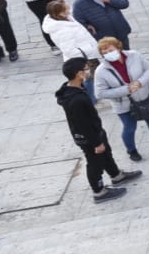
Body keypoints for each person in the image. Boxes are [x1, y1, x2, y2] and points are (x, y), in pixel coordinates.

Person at [56, 56, 140, 203]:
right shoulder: (77, 100)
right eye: (86, 68)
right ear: (79, 74)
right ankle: (99, 191)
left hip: (95, 132)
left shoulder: (74, 89)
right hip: (90, 138)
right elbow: (83, 124)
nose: (89, 70)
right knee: (95, 163)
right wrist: (96, 143)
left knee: (107, 155)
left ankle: (116, 176)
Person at [92, 36, 149, 162]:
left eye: (110, 50)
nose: (108, 54)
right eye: (104, 53)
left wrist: (140, 82)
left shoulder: (134, 56)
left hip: (144, 97)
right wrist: (126, 89)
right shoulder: (101, 71)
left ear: (118, 47)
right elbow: (100, 93)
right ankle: (131, 150)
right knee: (129, 127)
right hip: (123, 105)